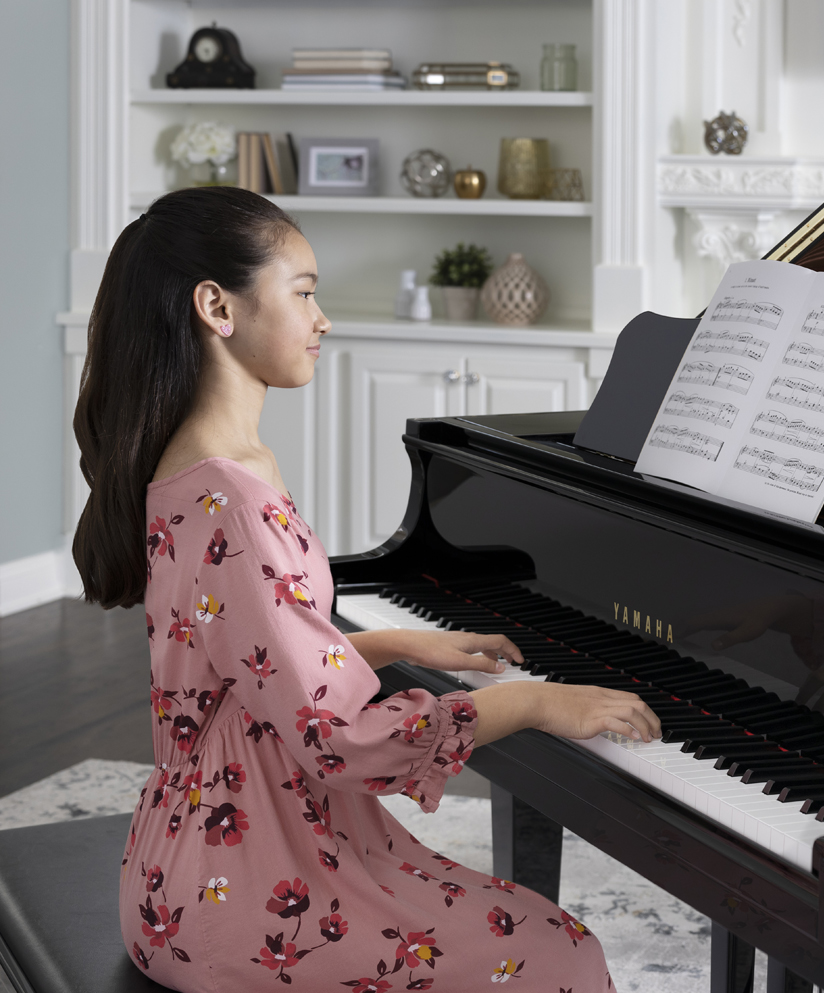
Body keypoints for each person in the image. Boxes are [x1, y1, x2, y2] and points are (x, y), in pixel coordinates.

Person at [71, 187, 660, 991]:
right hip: (240, 890)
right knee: (561, 955)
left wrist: (397, 642)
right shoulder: (233, 498)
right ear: (217, 306)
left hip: (190, 856)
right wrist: (538, 702)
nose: (323, 319)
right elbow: (338, 740)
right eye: (305, 292)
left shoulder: (200, 468)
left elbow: (246, 663)